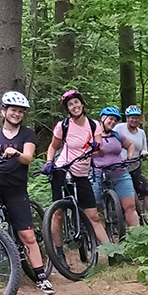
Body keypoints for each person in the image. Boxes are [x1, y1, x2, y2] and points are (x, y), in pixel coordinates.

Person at [0, 91, 55, 295]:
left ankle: (40, 276)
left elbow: (28, 157)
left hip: (16, 189)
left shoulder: (27, 134)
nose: (16, 114)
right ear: (4, 112)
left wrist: (17, 153)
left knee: (27, 234)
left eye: (20, 112)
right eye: (13, 110)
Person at [42, 90, 111, 259]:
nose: (74, 106)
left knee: (93, 216)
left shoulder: (94, 125)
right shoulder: (63, 126)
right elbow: (53, 146)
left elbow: (101, 152)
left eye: (76, 102)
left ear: (82, 104)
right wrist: (49, 161)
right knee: (58, 213)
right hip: (62, 170)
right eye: (70, 104)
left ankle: (112, 252)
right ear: (68, 109)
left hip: (81, 174)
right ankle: (59, 253)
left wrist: (97, 147)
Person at [90, 106, 140, 228]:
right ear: (102, 118)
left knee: (130, 206)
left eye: (115, 120)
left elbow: (130, 145)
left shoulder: (117, 135)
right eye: (110, 119)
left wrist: (129, 158)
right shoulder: (91, 136)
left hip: (120, 173)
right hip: (97, 174)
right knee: (96, 209)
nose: (112, 122)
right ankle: (101, 241)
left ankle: (138, 237)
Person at [114, 105, 148, 213]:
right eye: (131, 117)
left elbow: (143, 148)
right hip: (119, 167)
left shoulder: (141, 133)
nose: (134, 120)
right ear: (127, 118)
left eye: (136, 118)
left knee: (145, 190)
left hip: (135, 166)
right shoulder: (119, 128)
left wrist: (144, 153)